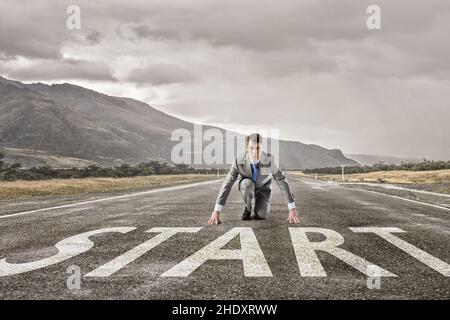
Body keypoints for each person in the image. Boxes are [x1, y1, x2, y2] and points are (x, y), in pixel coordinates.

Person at [207, 133, 301, 225]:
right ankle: (247, 209)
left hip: (263, 187)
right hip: (247, 185)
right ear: (247, 148)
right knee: (248, 185)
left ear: (262, 147)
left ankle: (260, 206)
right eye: (251, 148)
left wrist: (292, 209)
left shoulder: (269, 159)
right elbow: (227, 183)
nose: (255, 152)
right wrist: (216, 211)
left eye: (258, 148)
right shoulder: (238, 160)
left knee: (261, 215)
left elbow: (281, 180)